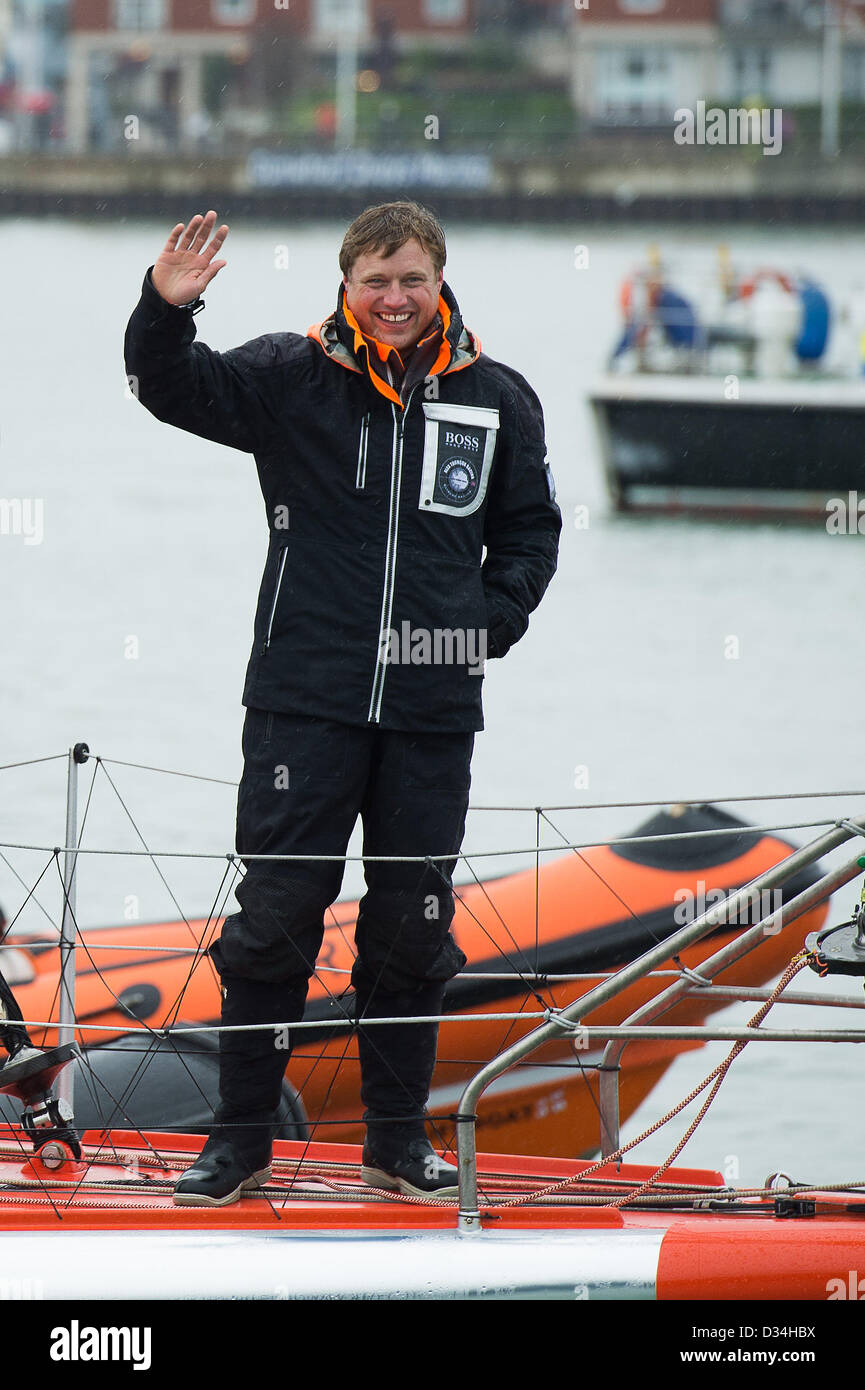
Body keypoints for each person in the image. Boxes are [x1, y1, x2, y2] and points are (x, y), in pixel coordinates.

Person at [124, 202, 561, 1206]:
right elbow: (166, 385)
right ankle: (237, 1145)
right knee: (275, 922)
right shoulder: (288, 376)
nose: (394, 297)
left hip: (431, 710)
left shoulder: (498, 397)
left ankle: (395, 1146)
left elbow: (531, 536)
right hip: (302, 701)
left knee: (411, 928)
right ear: (346, 285)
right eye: (376, 279)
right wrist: (163, 309)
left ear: (438, 277)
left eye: (410, 277)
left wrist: (479, 626)